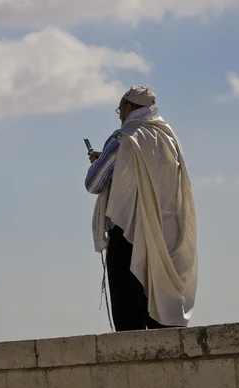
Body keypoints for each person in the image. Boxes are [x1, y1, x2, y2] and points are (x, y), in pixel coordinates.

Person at [84, 85, 198, 331]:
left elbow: (93, 183)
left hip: (128, 234)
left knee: (129, 316)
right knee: (161, 307)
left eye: (119, 110)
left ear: (127, 108)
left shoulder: (122, 139)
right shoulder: (170, 139)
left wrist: (100, 162)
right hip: (166, 235)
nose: (120, 116)